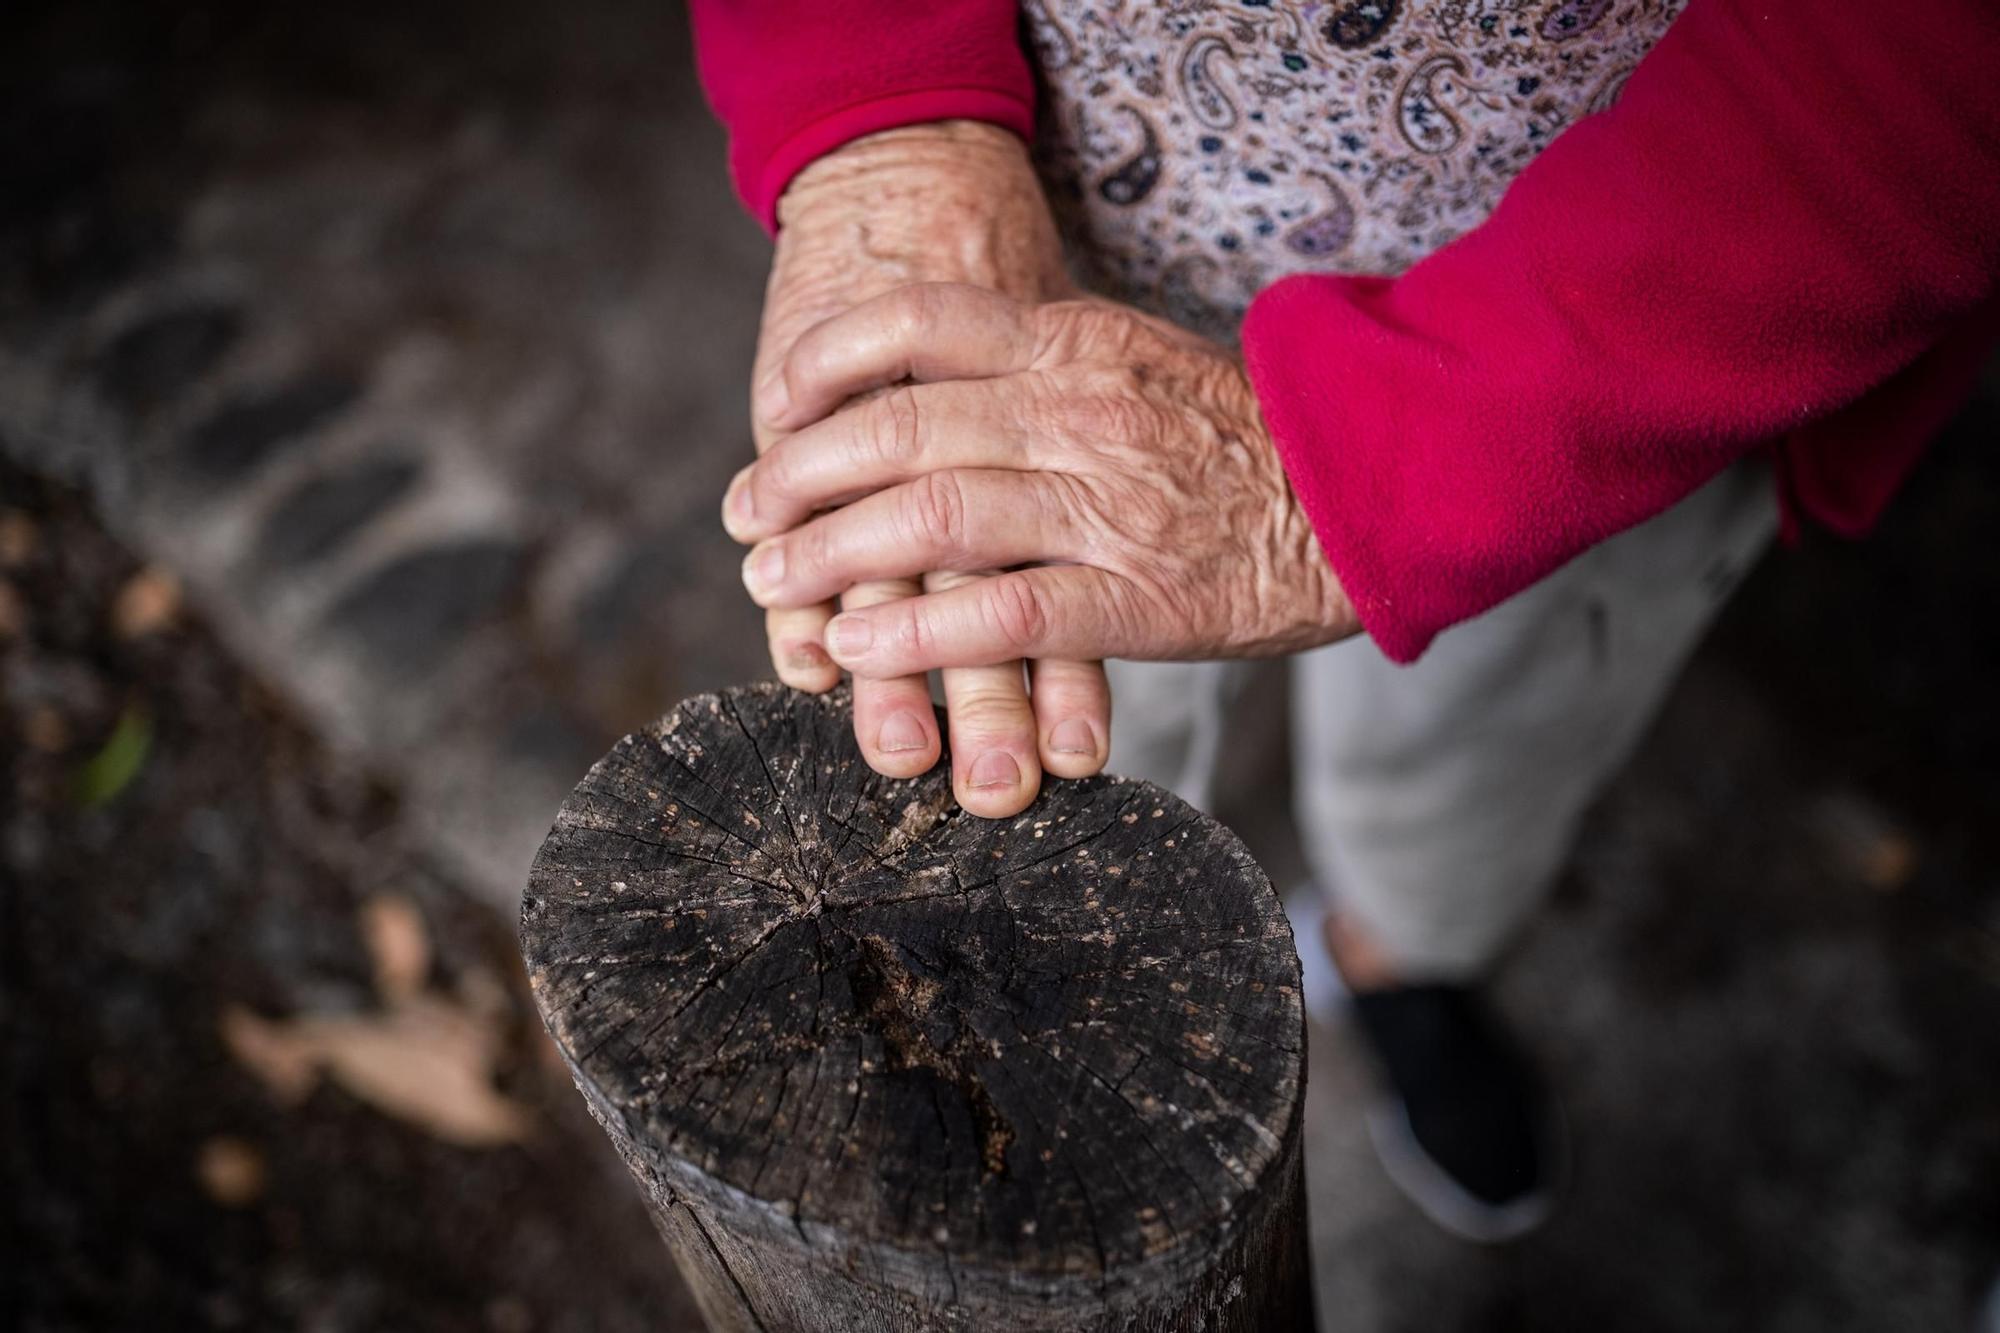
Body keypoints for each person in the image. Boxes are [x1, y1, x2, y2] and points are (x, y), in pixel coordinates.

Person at [688, 0, 2000, 1241]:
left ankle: (1401, 950)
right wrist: (883, 116)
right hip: (1061, 195)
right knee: (1029, 745)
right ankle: (1067, 1003)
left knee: (1486, 722)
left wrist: (1403, 465)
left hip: (1613, 308)